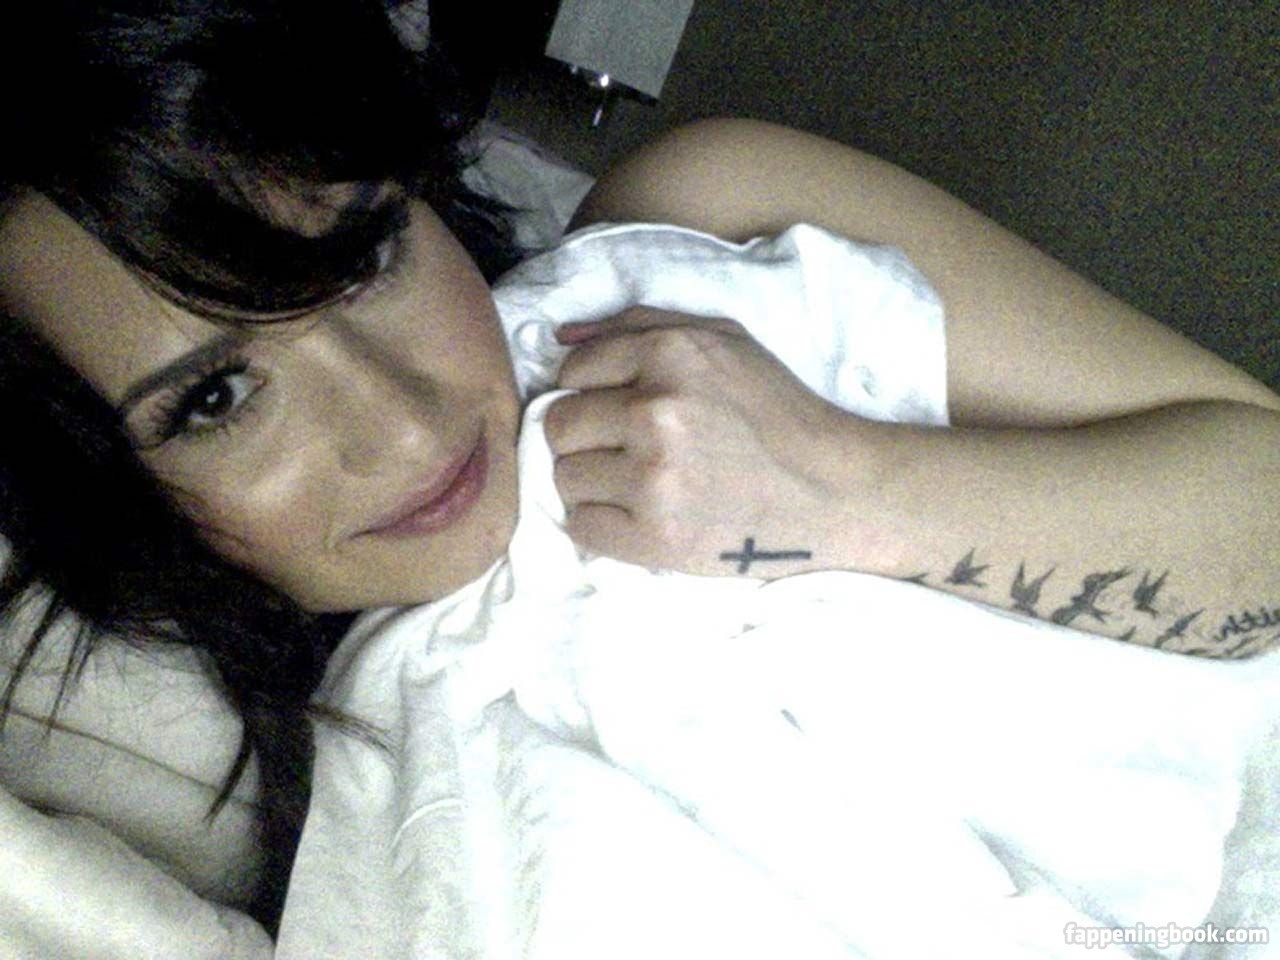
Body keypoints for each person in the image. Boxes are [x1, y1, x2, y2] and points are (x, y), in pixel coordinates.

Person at [1, 1, 1277, 957]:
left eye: (366, 250)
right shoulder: (364, 815)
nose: (401, 426)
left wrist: (845, 489)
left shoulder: (707, 222)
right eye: (216, 400)